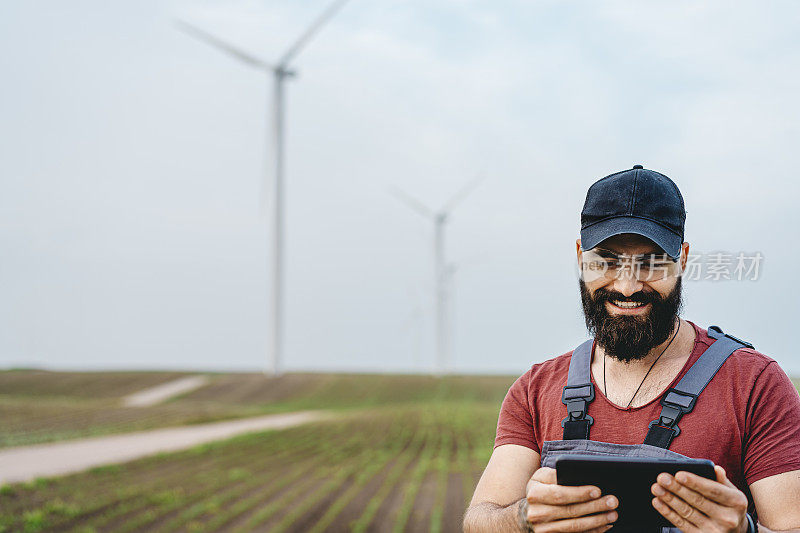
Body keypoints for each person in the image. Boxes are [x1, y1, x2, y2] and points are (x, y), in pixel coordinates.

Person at [463, 165, 800, 533]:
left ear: (683, 259)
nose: (627, 286)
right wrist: (522, 517)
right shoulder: (535, 389)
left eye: (650, 262)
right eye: (606, 260)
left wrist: (745, 532)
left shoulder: (754, 384)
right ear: (580, 256)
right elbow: (480, 520)